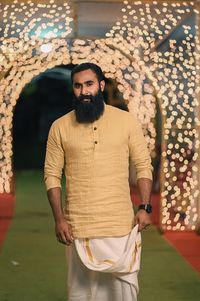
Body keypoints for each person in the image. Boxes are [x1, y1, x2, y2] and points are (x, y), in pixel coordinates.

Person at [44, 63, 153, 301]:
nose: (84, 91)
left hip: (120, 225)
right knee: (82, 294)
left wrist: (145, 207)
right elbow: (52, 174)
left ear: (101, 86)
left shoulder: (126, 121)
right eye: (78, 85)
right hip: (78, 227)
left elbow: (143, 165)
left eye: (89, 84)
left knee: (123, 293)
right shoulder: (60, 127)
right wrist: (59, 218)